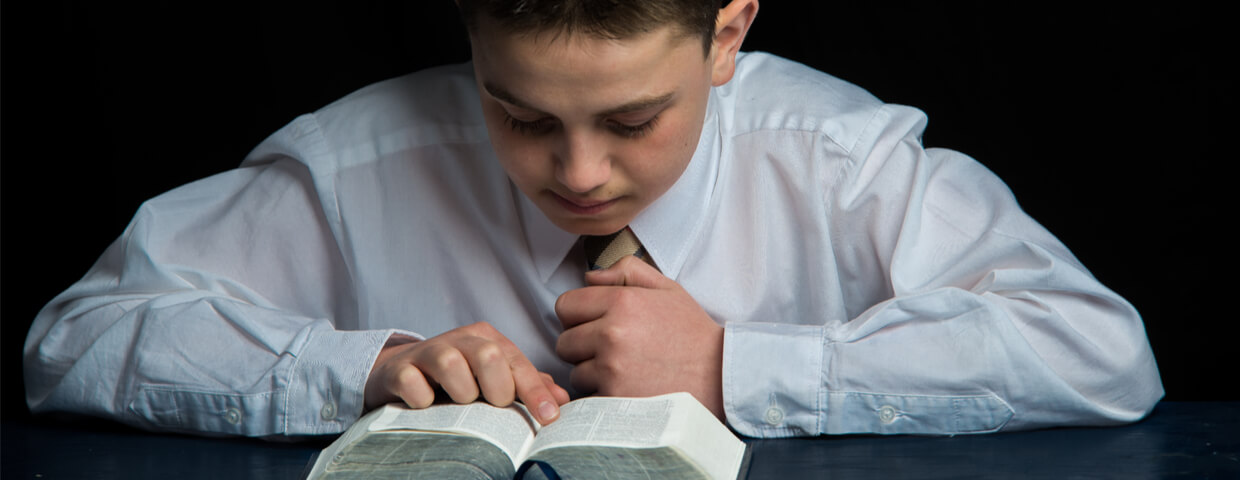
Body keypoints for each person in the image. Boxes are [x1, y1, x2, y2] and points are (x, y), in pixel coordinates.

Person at [23, 0, 1162, 438]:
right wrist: (363, 364)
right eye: (516, 114)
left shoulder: (838, 160)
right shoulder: (355, 160)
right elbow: (69, 338)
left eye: (632, 118)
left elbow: (1102, 352)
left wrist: (733, 364)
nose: (578, 174)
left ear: (725, 37)